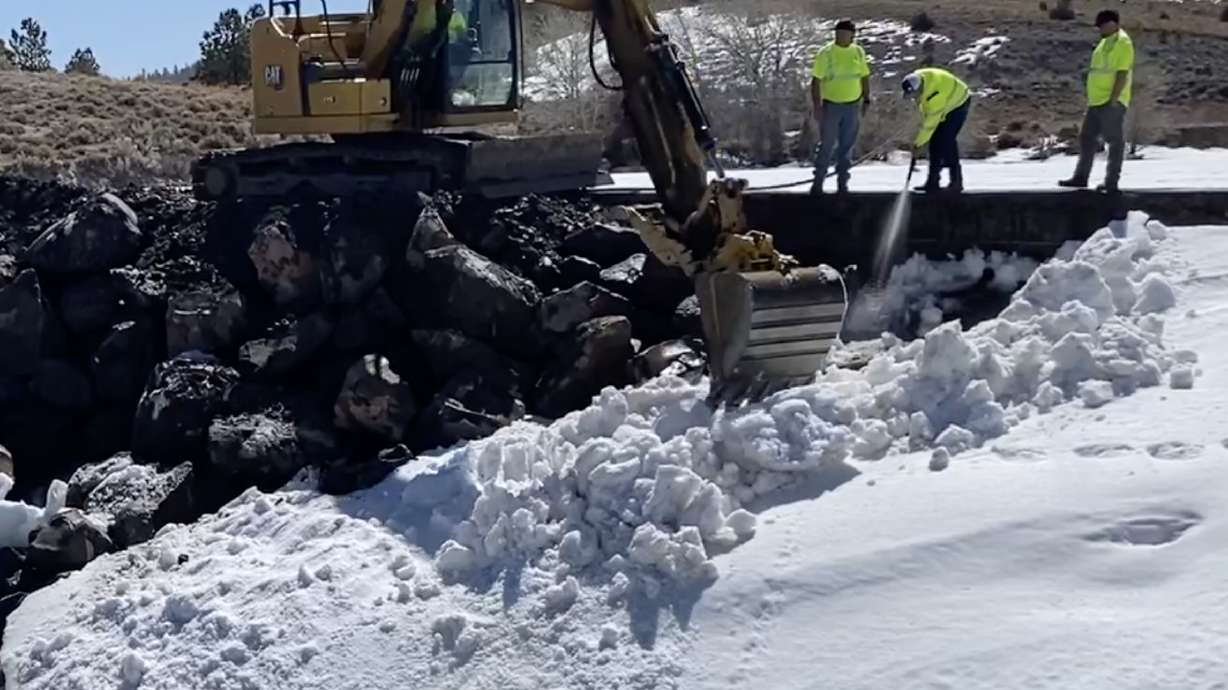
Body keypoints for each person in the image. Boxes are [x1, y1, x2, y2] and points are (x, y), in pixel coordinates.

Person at [1060, 10, 1134, 193]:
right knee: (1087, 138)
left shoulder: (1122, 43)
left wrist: (1114, 99)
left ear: (1113, 24)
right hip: (1096, 101)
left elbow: (1122, 73)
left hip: (1111, 102)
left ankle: (1111, 183)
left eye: (1102, 26)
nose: (1099, 29)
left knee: (1114, 142)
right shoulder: (1104, 43)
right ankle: (1081, 177)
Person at [809, 19, 872, 195]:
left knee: (847, 146)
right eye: (839, 33)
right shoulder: (826, 53)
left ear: (853, 35)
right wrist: (817, 106)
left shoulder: (858, 52)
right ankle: (818, 183)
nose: (842, 37)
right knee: (826, 145)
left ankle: (842, 184)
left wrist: (867, 99)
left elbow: (865, 76)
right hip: (831, 106)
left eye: (846, 33)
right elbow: (815, 81)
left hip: (852, 106)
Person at [901, 67, 971, 194]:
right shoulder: (918, 77)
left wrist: (918, 144)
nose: (912, 98)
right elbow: (926, 113)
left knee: (946, 140)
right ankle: (933, 182)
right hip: (946, 99)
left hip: (958, 103)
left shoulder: (934, 96)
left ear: (918, 89)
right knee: (935, 142)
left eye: (913, 95)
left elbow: (929, 125)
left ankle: (956, 182)